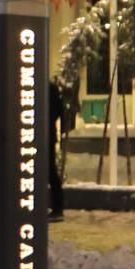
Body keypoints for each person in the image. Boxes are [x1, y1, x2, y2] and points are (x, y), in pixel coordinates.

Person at [44, 73, 76, 220]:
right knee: (50, 171)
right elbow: (58, 110)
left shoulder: (43, 88)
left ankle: (55, 208)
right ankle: (57, 208)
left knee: (47, 171)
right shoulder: (50, 87)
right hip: (48, 133)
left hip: (42, 133)